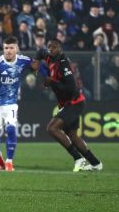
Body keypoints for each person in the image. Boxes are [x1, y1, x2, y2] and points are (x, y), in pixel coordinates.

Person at [0, 37, 44, 172]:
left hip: (11, 103)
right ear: (3, 49)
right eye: (6, 48)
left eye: (11, 47)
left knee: (11, 129)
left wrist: (44, 68)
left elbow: (35, 66)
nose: (8, 51)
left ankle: (9, 162)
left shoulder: (23, 60)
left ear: (17, 49)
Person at [32, 39, 102, 172]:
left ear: (60, 48)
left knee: (52, 128)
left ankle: (78, 158)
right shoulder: (48, 55)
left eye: (54, 47)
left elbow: (71, 87)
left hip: (74, 102)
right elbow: (40, 52)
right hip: (68, 103)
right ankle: (95, 163)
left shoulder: (64, 64)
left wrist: (52, 82)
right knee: (73, 136)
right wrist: (36, 60)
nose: (51, 49)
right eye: (49, 47)